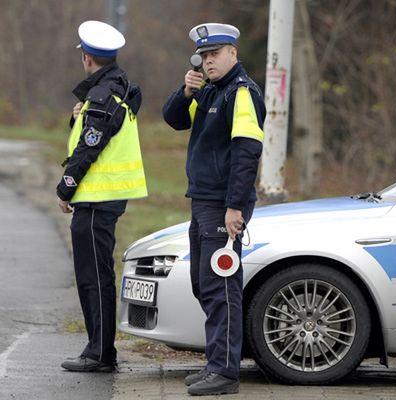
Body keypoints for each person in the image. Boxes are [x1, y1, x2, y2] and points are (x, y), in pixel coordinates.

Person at [162, 23, 265, 396]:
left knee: (221, 287)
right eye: (204, 57)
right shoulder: (209, 91)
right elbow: (174, 119)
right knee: (204, 285)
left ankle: (224, 372)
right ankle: (215, 363)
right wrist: (185, 89)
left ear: (233, 54)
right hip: (203, 199)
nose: (208, 62)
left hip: (224, 203)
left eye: (215, 55)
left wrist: (235, 205)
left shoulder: (240, 93)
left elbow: (247, 151)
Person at [58, 20, 147, 372]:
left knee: (93, 277)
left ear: (87, 59)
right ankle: (99, 349)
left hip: (96, 198)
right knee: (98, 274)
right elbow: (96, 131)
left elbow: (89, 146)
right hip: (106, 197)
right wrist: (76, 116)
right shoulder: (121, 87)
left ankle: (99, 353)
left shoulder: (101, 95)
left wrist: (66, 185)